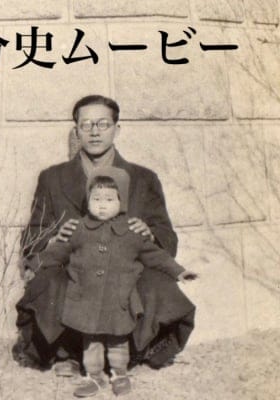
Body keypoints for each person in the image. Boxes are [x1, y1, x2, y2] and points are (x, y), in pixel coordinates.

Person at [16, 94, 195, 375]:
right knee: (49, 283)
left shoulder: (144, 178)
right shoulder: (52, 178)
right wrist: (55, 237)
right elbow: (32, 238)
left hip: (125, 270)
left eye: (103, 124)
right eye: (86, 125)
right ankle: (67, 354)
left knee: (157, 286)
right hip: (75, 269)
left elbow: (167, 237)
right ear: (77, 131)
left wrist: (149, 233)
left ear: (116, 129)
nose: (95, 132)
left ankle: (135, 352)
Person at [26, 167, 197, 397]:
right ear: (88, 201)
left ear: (121, 202)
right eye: (96, 199)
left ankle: (120, 375)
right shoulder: (78, 229)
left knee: (118, 342)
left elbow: (156, 256)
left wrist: (179, 272)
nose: (102, 205)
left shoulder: (132, 233)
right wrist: (33, 264)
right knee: (91, 343)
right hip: (86, 299)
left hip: (119, 300)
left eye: (109, 199)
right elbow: (57, 253)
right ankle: (94, 377)